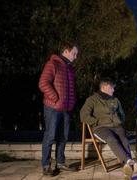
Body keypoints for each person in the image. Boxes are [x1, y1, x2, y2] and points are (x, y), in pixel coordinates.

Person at [80, 78, 137, 180]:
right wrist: (97, 122)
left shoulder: (115, 100)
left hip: (116, 126)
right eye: (112, 88)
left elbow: (122, 114)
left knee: (124, 140)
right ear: (104, 87)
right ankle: (129, 162)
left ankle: (127, 172)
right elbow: (83, 115)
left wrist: (119, 122)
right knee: (111, 139)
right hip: (101, 127)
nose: (113, 90)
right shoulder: (92, 100)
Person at [38, 42, 78, 176]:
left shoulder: (70, 68)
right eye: (74, 53)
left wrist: (71, 103)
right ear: (66, 51)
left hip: (66, 109)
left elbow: (71, 89)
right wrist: (56, 98)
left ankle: (60, 162)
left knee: (63, 137)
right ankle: (46, 165)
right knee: (50, 136)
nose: (76, 56)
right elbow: (43, 83)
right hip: (52, 108)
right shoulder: (53, 64)